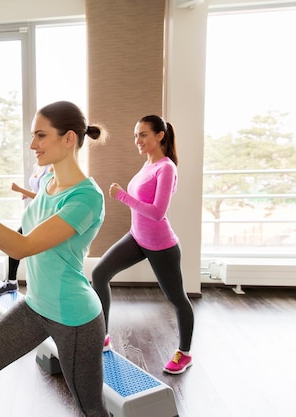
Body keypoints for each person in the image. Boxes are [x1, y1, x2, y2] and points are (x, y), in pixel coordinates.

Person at [0, 101, 110, 417]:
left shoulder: (87, 197)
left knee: (90, 409)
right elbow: (25, 234)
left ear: (69, 139)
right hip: (35, 306)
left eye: (40, 135)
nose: (32, 145)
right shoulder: (49, 185)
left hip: (74, 317)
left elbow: (22, 247)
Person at [91, 115, 195, 375]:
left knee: (177, 298)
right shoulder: (147, 164)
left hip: (161, 244)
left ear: (160, 135)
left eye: (143, 134)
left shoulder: (166, 167)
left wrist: (122, 196)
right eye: (136, 135)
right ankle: (102, 336)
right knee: (99, 273)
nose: (138, 140)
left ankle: (184, 353)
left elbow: (158, 212)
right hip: (137, 237)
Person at [0, 163, 52, 295]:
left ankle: (17, 284)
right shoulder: (38, 165)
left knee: (20, 247)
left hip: (44, 216)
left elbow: (45, 198)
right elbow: (38, 191)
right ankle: (12, 283)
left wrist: (21, 190)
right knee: (14, 245)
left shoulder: (51, 168)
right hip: (34, 215)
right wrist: (27, 194)